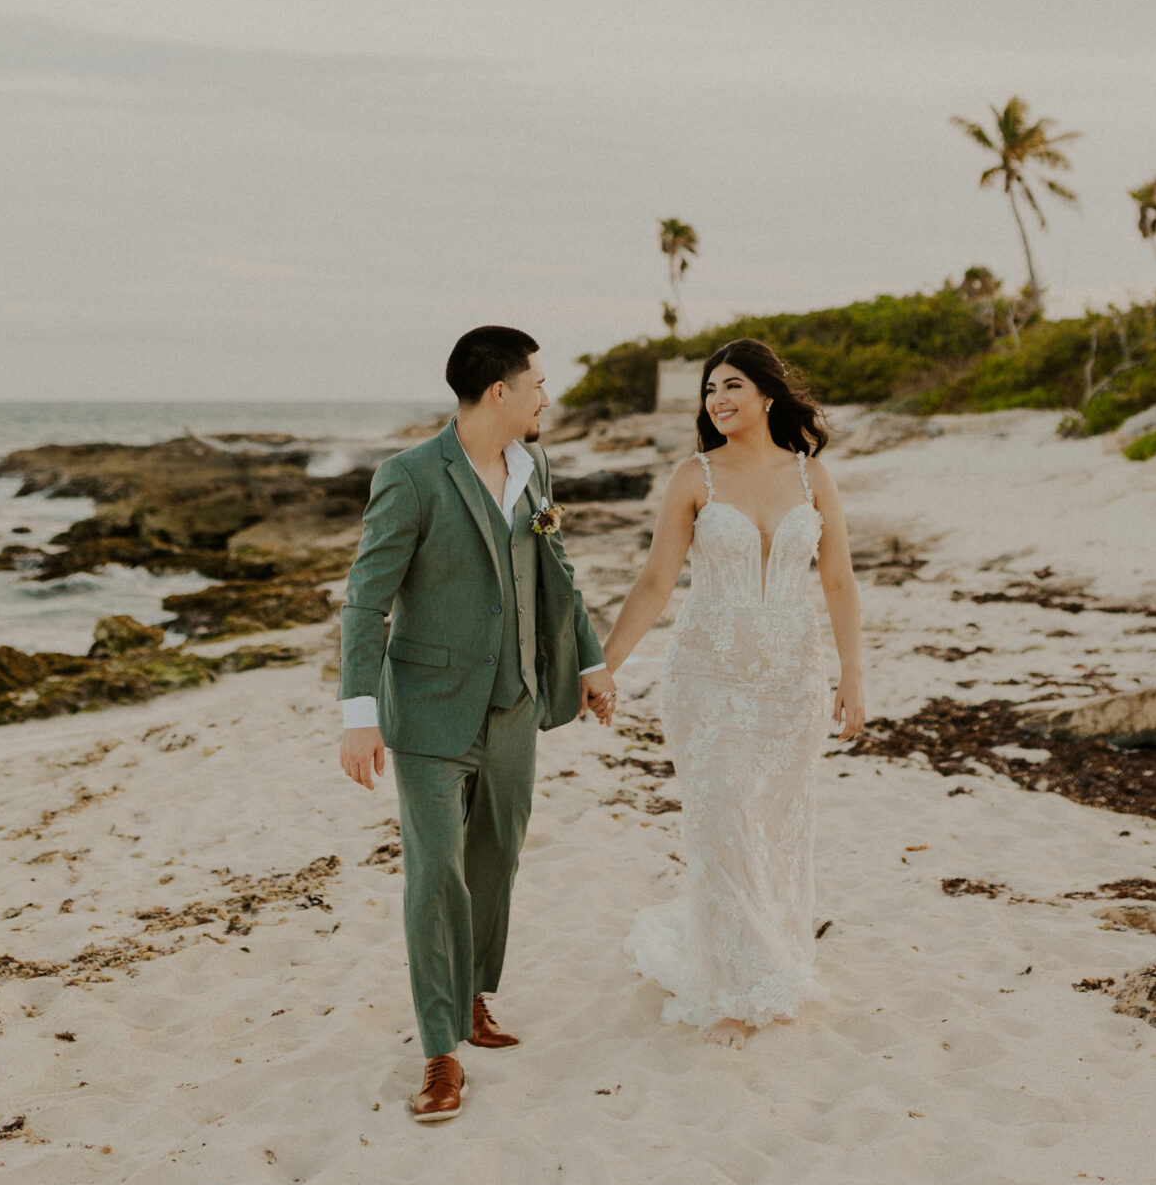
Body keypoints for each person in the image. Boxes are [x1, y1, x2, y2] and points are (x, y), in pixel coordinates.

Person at [339, 327, 615, 1122]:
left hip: (515, 703)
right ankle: (438, 1052)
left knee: (496, 860)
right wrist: (359, 714)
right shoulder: (411, 477)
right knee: (435, 876)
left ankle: (469, 997)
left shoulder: (533, 471)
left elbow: (554, 573)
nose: (545, 396)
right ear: (500, 391)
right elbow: (366, 598)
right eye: (537, 383)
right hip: (427, 713)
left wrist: (589, 662)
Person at [598, 338, 864, 1046]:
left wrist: (852, 679)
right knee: (719, 821)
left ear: (768, 395)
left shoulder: (813, 477)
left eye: (731, 385)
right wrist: (604, 666)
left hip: (790, 682)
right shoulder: (694, 477)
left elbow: (838, 581)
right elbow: (656, 582)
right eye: (710, 389)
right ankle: (727, 989)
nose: (717, 399)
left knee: (772, 827)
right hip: (706, 680)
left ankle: (767, 961)